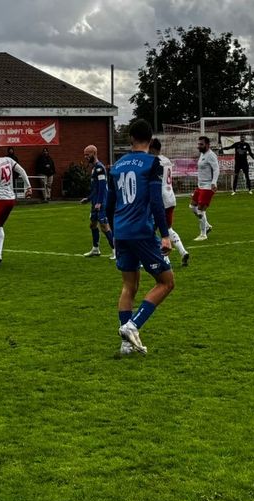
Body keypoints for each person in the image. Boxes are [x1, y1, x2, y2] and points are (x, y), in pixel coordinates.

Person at [106, 119, 173, 356]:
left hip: (121, 232)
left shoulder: (116, 166)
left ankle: (126, 346)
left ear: (131, 138)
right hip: (142, 232)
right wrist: (165, 235)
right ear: (151, 139)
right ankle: (132, 325)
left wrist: (114, 234)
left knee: (129, 285)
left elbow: (109, 205)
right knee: (166, 282)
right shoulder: (152, 163)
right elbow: (156, 201)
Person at [149, 138, 189, 267]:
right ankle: (183, 252)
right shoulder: (167, 160)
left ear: (152, 148)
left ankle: (165, 260)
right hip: (171, 197)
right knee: (167, 228)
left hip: (160, 198)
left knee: (152, 229)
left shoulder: (155, 161)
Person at [80, 144, 115, 259]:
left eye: (87, 154)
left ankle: (115, 250)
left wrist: (99, 202)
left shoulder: (99, 168)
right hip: (95, 202)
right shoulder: (94, 168)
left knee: (104, 226)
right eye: (84, 155)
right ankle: (95, 249)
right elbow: (95, 189)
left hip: (101, 202)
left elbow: (102, 186)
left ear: (94, 153)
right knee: (93, 224)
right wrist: (88, 199)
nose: (85, 157)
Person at [191, 136, 219, 241]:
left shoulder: (211, 155)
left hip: (208, 186)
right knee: (192, 206)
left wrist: (214, 182)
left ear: (207, 145)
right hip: (200, 186)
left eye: (201, 144)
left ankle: (203, 234)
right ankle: (206, 226)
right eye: (198, 144)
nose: (199, 146)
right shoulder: (202, 154)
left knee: (200, 210)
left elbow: (216, 169)